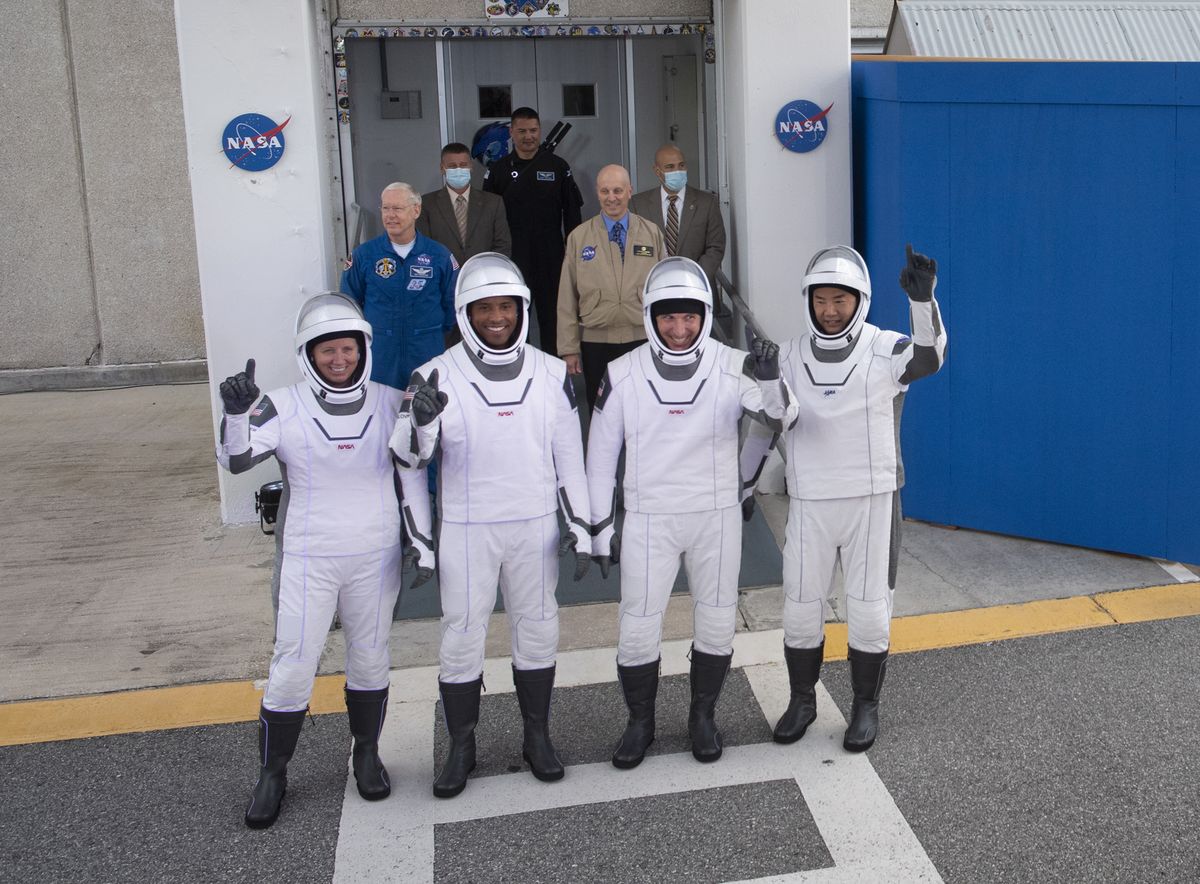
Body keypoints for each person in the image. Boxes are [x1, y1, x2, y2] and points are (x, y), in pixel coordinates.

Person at [216, 293, 431, 829]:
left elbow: (414, 463)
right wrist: (237, 414)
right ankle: (273, 772)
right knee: (292, 665)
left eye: (349, 349)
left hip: (375, 555)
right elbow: (238, 459)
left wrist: (424, 424)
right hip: (308, 557)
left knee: (370, 657)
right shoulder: (281, 404)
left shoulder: (390, 400)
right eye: (327, 350)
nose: (340, 360)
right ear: (307, 354)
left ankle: (366, 754)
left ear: (364, 349)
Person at [390, 252, 592, 798]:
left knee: (538, 628)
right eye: (484, 308)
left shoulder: (553, 373)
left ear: (521, 309)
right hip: (467, 527)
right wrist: (422, 539)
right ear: (465, 312)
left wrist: (582, 524)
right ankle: (461, 745)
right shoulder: (430, 374)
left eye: (505, 306)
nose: (496, 317)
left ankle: (537, 736)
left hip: (534, 527)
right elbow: (409, 461)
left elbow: (569, 458)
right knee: (460, 636)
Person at [586, 256, 798, 768]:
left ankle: (703, 716)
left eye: (690, 317)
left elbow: (780, 417)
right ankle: (640, 722)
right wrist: (597, 526)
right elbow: (598, 455)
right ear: (651, 316)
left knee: (717, 622)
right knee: (637, 625)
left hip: (714, 516)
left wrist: (769, 380)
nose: (679, 329)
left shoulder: (733, 364)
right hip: (648, 517)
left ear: (705, 314)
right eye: (667, 317)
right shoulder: (622, 373)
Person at [741, 244, 947, 753]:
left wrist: (924, 304)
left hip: (872, 498)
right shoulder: (785, 355)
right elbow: (767, 425)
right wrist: (743, 484)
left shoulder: (885, 347)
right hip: (810, 498)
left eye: (841, 301)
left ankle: (864, 707)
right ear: (808, 300)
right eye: (821, 301)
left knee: (870, 608)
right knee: (800, 605)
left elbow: (930, 359)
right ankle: (802, 701)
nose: (830, 311)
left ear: (861, 300)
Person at [557, 164, 665, 409]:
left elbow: (663, 292)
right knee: (601, 408)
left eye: (618, 190)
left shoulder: (651, 233)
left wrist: (665, 340)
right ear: (597, 192)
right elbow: (566, 298)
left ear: (629, 191)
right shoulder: (579, 237)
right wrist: (568, 348)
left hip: (642, 338)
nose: (611, 198)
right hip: (596, 341)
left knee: (643, 407)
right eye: (605, 191)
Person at [483, 107, 583, 359]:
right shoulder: (498, 170)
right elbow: (488, 218)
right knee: (515, 316)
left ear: (539, 131)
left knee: (553, 317)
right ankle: (519, 367)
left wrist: (574, 257)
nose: (528, 136)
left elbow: (572, 216)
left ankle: (555, 372)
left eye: (533, 130)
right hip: (513, 257)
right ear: (511, 132)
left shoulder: (558, 166)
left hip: (552, 256)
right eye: (522, 131)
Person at [341, 182, 458, 390]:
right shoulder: (364, 255)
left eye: (397, 208)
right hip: (381, 355)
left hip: (427, 350)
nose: (390, 215)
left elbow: (453, 305)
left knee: (429, 412)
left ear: (416, 210)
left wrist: (429, 331)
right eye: (385, 208)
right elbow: (349, 304)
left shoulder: (439, 256)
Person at [629, 144, 726, 297]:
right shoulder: (637, 204)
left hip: (698, 291)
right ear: (657, 171)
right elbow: (633, 249)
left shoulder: (706, 202)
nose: (677, 171)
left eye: (681, 165)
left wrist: (693, 280)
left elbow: (716, 247)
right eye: (670, 167)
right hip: (654, 291)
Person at [416, 142, 512, 266]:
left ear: (471, 166)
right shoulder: (427, 204)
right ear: (442, 168)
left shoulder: (493, 203)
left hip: (483, 278)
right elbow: (424, 246)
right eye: (452, 166)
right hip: (443, 278)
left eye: (463, 165)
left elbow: (502, 245)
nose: (458, 170)